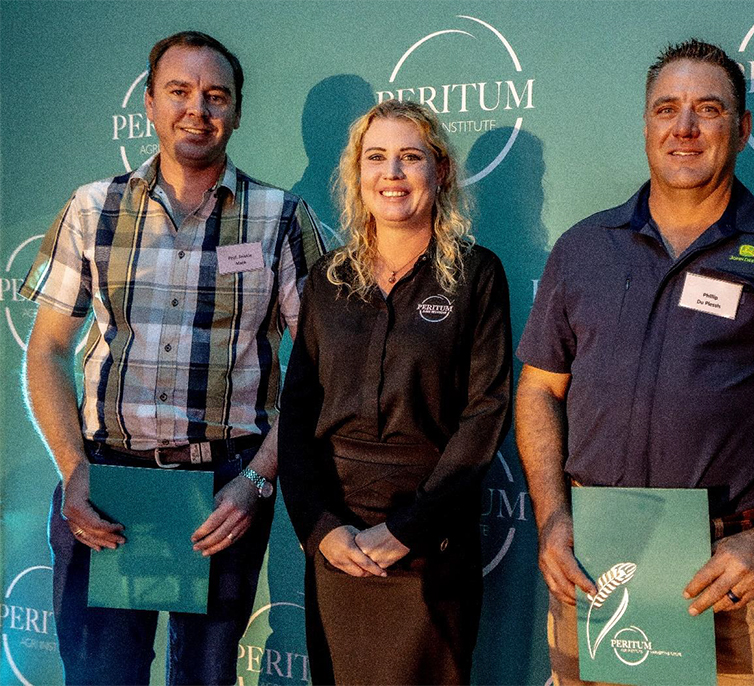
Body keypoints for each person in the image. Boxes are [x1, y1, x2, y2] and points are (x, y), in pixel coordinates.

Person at [516, 39, 754, 686]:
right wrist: (551, 518)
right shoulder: (583, 248)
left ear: (741, 129)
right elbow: (538, 389)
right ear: (646, 124)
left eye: (707, 109)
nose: (683, 128)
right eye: (667, 109)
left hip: (728, 578)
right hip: (594, 566)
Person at [20, 31, 323, 685]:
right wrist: (73, 471)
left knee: (205, 679)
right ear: (150, 105)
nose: (197, 110)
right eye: (179, 91)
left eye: (216, 96)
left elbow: (317, 367)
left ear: (236, 112)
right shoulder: (91, 208)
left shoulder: (281, 218)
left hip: (224, 492)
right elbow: (46, 351)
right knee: (100, 675)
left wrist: (258, 480)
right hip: (105, 485)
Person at [279, 99, 512, 685]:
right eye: (376, 157)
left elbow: (486, 414)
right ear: (357, 174)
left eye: (410, 157)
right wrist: (320, 528)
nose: (392, 173)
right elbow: (297, 415)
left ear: (441, 171)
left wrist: (409, 528)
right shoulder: (327, 280)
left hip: (432, 542)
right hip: (338, 545)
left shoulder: (478, 275)